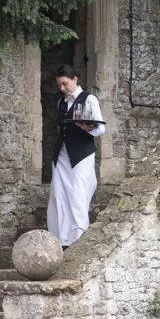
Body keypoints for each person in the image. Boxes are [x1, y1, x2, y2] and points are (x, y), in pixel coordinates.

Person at [48, 64, 105, 247]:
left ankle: (79, 239)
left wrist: (87, 128)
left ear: (75, 79)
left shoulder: (89, 99)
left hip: (81, 153)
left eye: (65, 84)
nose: (62, 88)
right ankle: (60, 239)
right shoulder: (61, 102)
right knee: (59, 194)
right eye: (59, 86)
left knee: (78, 193)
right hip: (62, 153)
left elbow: (101, 128)